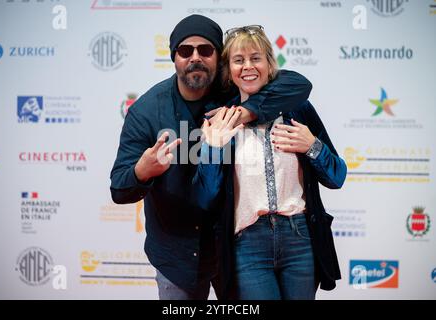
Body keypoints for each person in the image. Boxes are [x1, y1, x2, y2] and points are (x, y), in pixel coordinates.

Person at [110, 15, 312, 300]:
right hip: (176, 254)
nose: (195, 58)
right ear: (173, 57)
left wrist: (246, 112)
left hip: (233, 247)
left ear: (219, 57)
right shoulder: (146, 111)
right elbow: (119, 188)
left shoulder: (233, 92)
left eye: (206, 50)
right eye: (185, 51)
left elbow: (296, 85)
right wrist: (142, 171)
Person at [200, 25, 347, 300]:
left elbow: (337, 177)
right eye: (238, 60)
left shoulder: (298, 109)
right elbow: (206, 196)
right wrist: (211, 149)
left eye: (255, 58)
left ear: (269, 63)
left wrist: (312, 146)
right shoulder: (220, 120)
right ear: (228, 70)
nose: (248, 67)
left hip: (300, 238)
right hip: (247, 243)